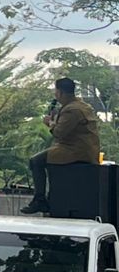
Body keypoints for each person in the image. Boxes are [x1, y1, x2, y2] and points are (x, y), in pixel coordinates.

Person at [25, 77, 102, 215]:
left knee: (36, 161)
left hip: (75, 150)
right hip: (85, 149)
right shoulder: (82, 105)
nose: (55, 95)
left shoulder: (71, 110)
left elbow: (59, 133)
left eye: (55, 91)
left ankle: (40, 199)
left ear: (60, 93)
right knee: (44, 158)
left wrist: (50, 123)